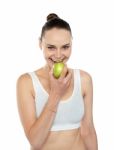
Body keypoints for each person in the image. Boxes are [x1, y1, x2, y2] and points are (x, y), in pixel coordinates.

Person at [16, 13, 98, 150]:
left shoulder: (84, 80)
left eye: (65, 47)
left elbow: (88, 130)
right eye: (51, 47)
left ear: (72, 44)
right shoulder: (26, 83)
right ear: (40, 44)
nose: (59, 55)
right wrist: (56, 94)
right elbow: (35, 141)